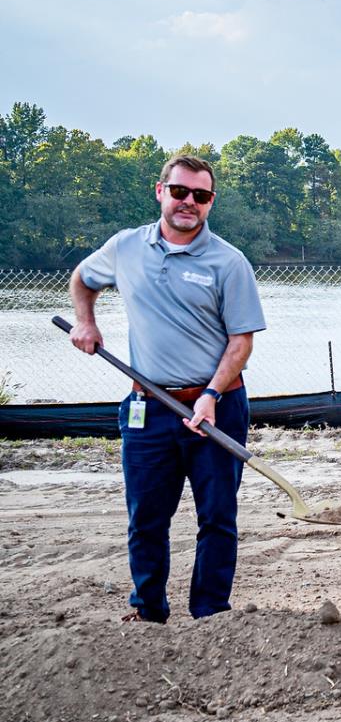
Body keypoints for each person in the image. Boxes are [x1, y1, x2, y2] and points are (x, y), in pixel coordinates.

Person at [68, 153, 266, 623]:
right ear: (161, 192)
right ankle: (148, 611)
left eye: (201, 196)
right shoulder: (126, 248)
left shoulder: (228, 262)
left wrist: (211, 396)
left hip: (217, 406)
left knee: (217, 518)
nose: (189, 203)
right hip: (148, 407)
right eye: (180, 192)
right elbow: (82, 279)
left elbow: (241, 342)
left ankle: (211, 613)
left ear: (210, 202)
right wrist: (85, 322)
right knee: (146, 520)